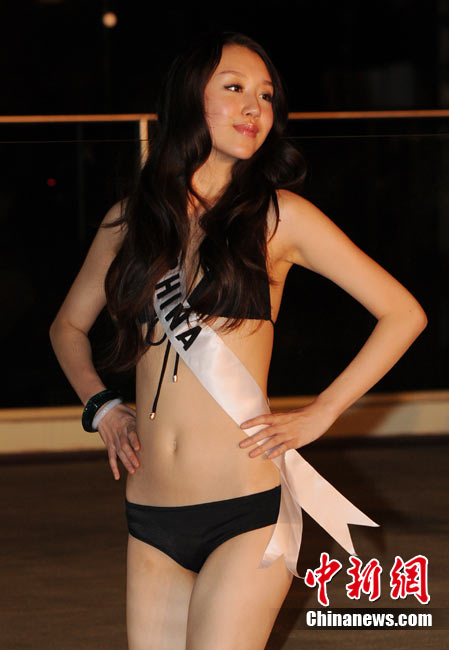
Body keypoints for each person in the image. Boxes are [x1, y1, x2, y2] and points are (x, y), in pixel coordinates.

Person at [49, 31, 427, 650]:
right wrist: (102, 407)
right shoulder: (131, 220)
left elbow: (403, 313)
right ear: (188, 98)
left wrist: (322, 413)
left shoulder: (280, 217)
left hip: (245, 513)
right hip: (150, 517)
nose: (255, 108)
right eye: (234, 88)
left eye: (266, 95)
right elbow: (67, 327)